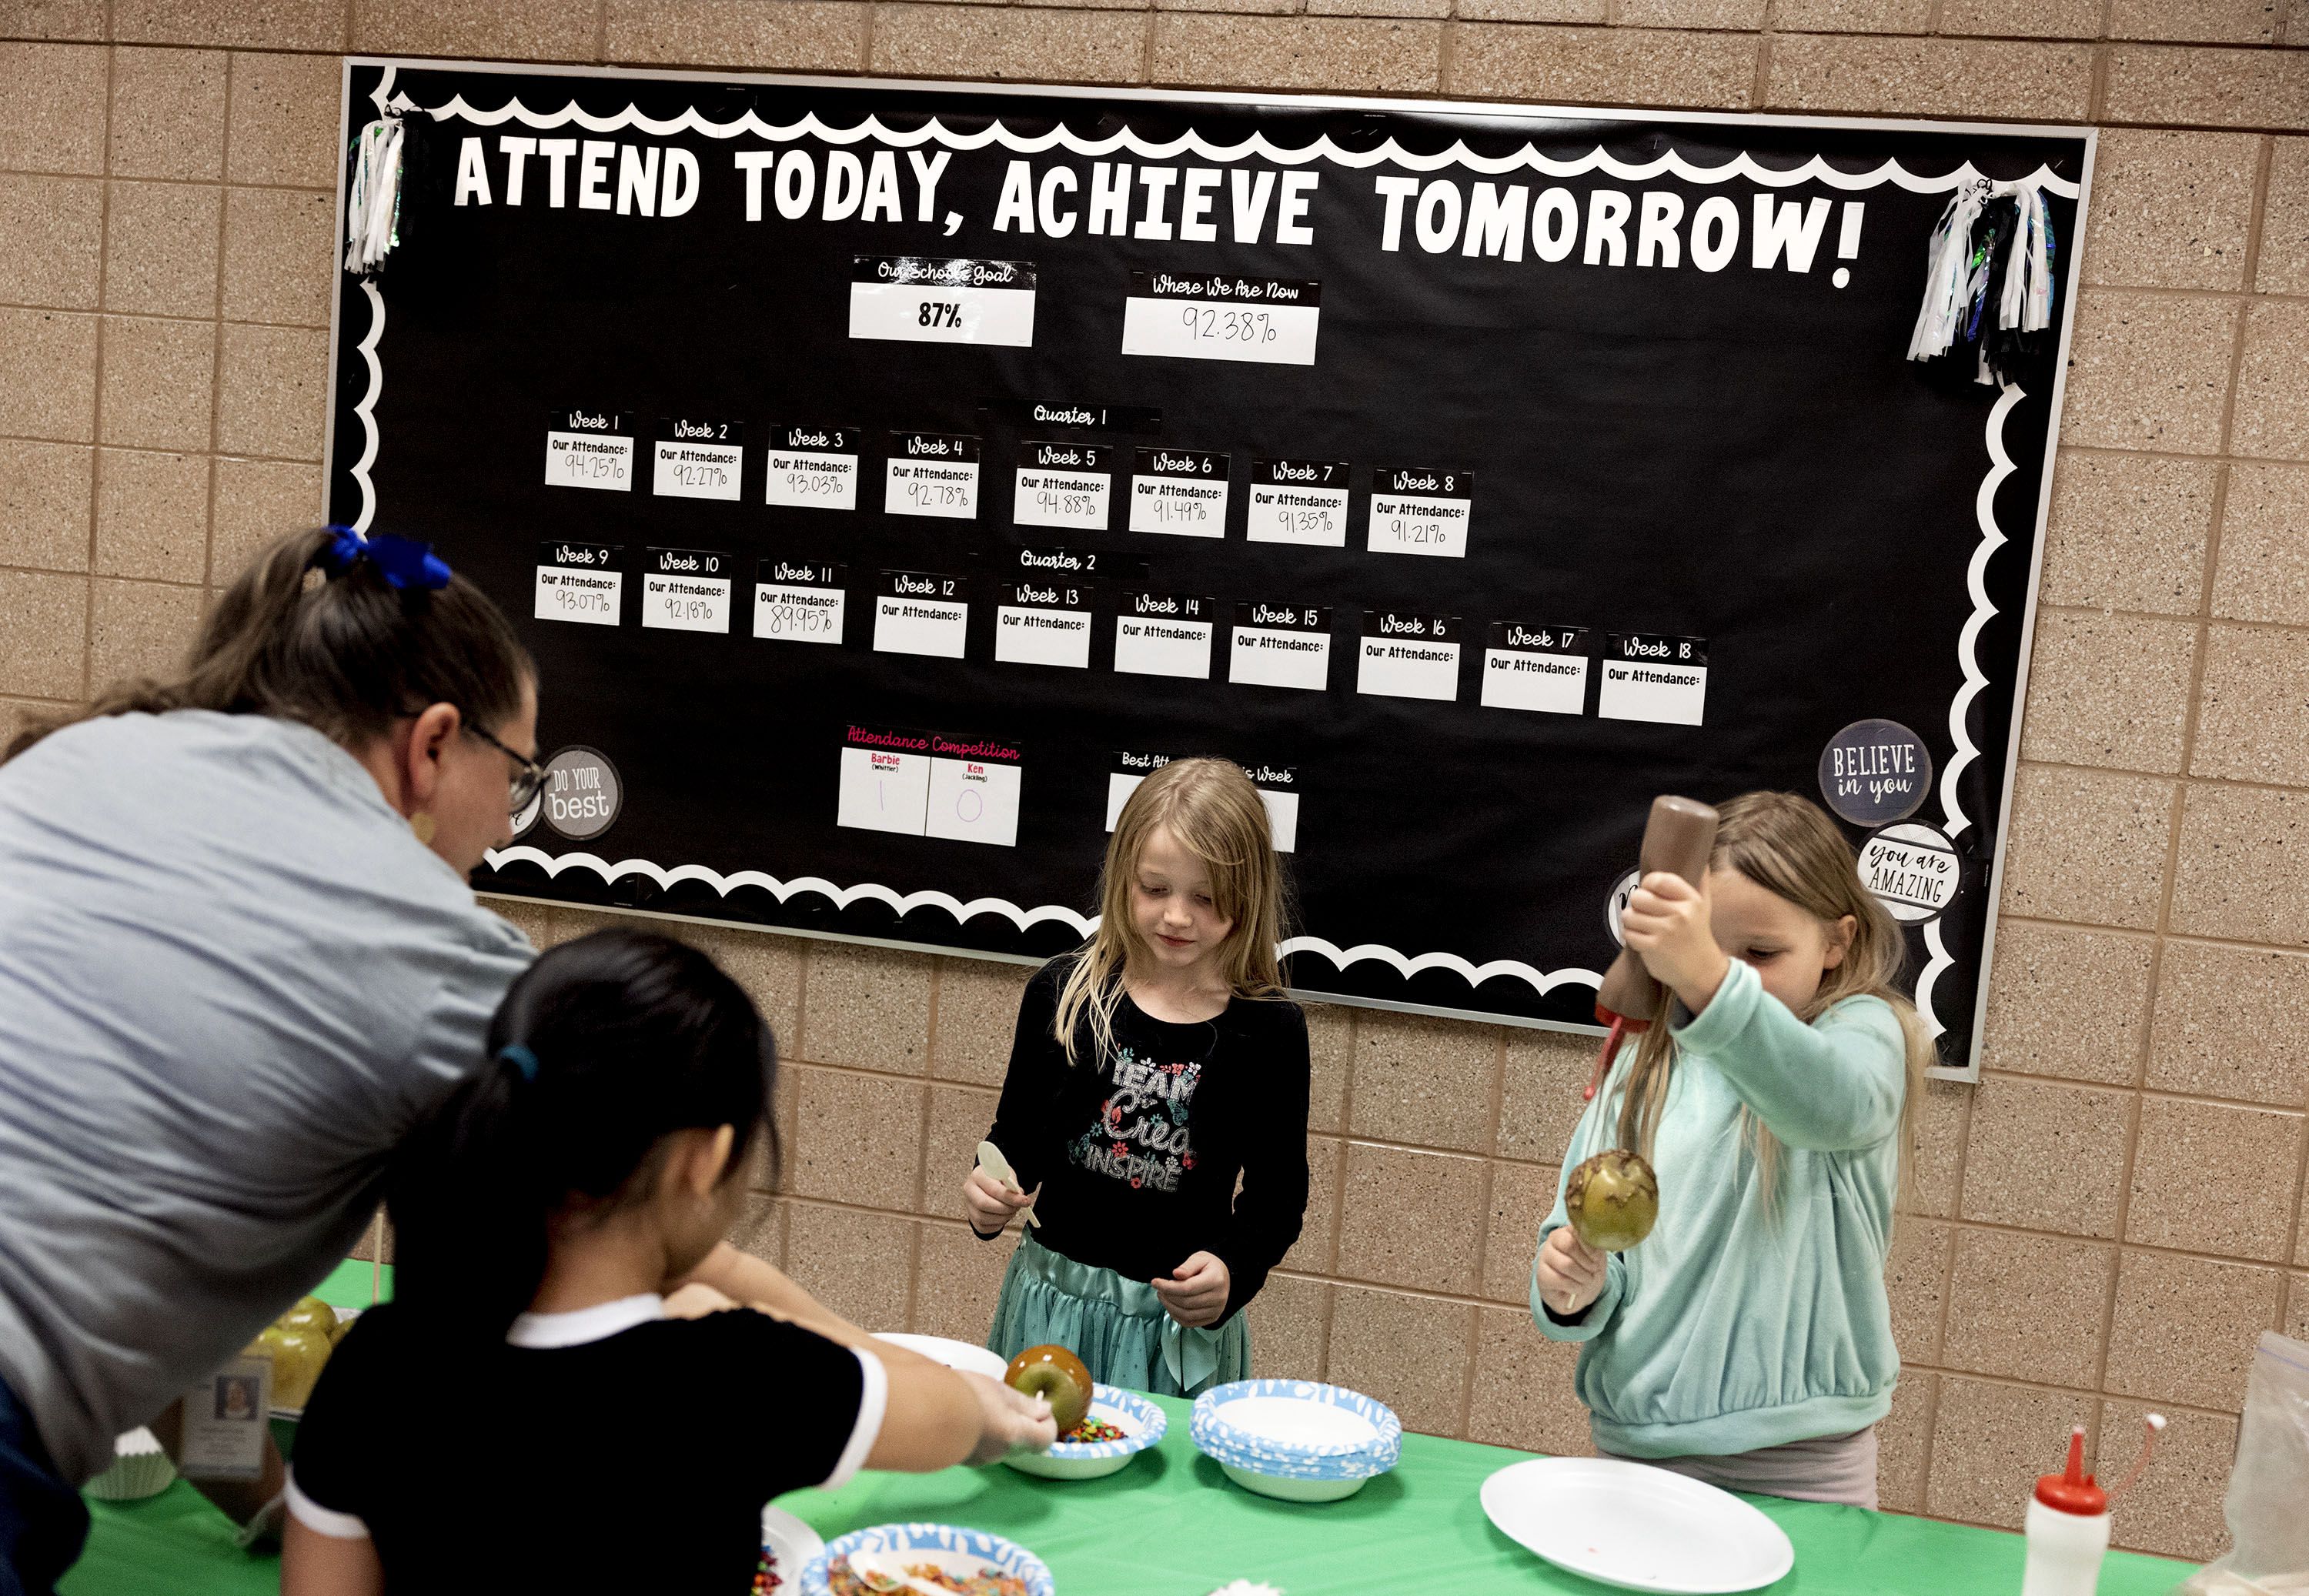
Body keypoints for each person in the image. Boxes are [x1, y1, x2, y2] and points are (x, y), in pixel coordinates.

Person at [0, 527, 845, 1596]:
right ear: (435, 743)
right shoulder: (432, 950)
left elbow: (167, 1263)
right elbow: (649, 1234)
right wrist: (885, 1368)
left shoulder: (84, 758)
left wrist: (272, 1500)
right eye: (521, 770)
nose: (513, 819)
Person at [283, 929, 1055, 1596]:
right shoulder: (737, 1374)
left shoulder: (375, 1366)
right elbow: (953, 1413)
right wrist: (724, 1280)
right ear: (707, 1158)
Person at [1531, 791, 1932, 1508]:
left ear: (1836, 943)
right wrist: (1575, 1286)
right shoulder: (1644, 1062)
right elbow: (1599, 1242)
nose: (1730, 972)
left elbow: (1830, 1106)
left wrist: (1707, 980)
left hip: (1805, 1465)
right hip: (1641, 1451)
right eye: (1710, 950)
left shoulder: (1863, 1035)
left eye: (1762, 953)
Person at [963, 757, 1309, 1397]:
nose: (1177, 916)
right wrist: (988, 1195)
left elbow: (1278, 1197)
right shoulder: (1064, 994)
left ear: (1249, 895)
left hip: (1172, 1331)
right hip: (1053, 1311)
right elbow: (1016, 1144)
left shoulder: (1268, 1031)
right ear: (1123, 878)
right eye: (1155, 889)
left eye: (1205, 898)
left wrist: (1236, 1269)